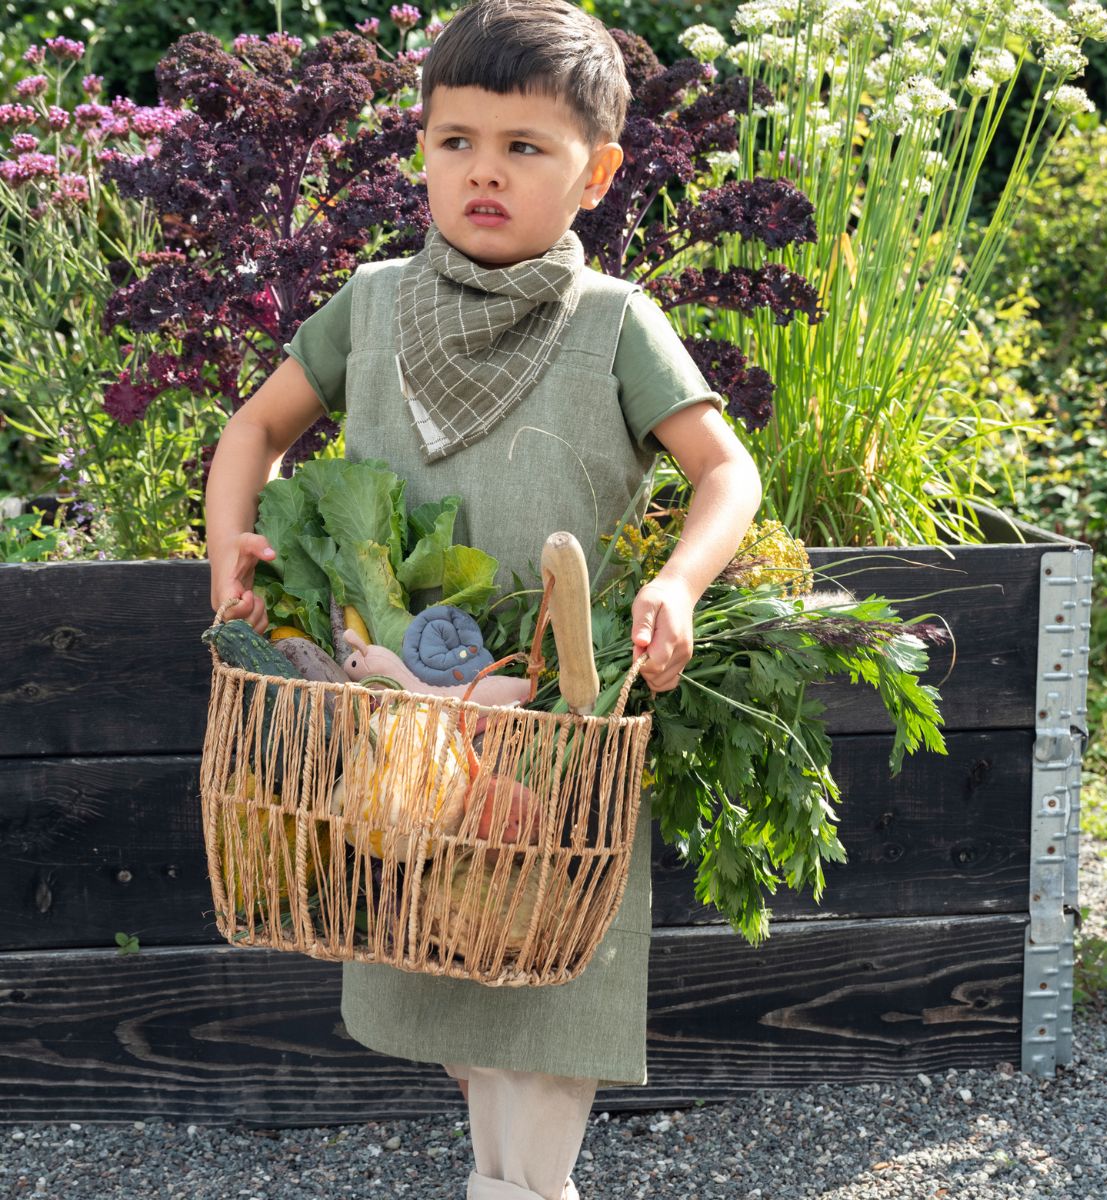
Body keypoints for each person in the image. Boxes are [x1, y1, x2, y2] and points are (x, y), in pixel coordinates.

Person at [204, 1, 762, 1196]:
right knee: (450, 967)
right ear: (420, 149)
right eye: (457, 141)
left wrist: (675, 581)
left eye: (526, 147)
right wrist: (230, 554)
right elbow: (254, 428)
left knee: (551, 987)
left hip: (554, 708)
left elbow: (728, 470)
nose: (484, 173)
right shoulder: (374, 302)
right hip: (397, 725)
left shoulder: (616, 323)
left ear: (599, 172)